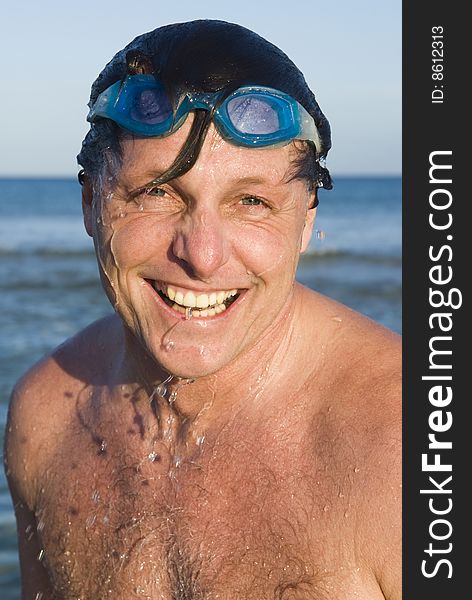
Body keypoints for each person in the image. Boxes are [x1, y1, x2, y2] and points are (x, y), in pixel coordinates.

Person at [4, 20, 401, 599]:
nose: (203, 256)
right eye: (157, 192)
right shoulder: (45, 420)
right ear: (92, 202)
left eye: (251, 201)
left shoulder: (407, 445)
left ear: (307, 218)